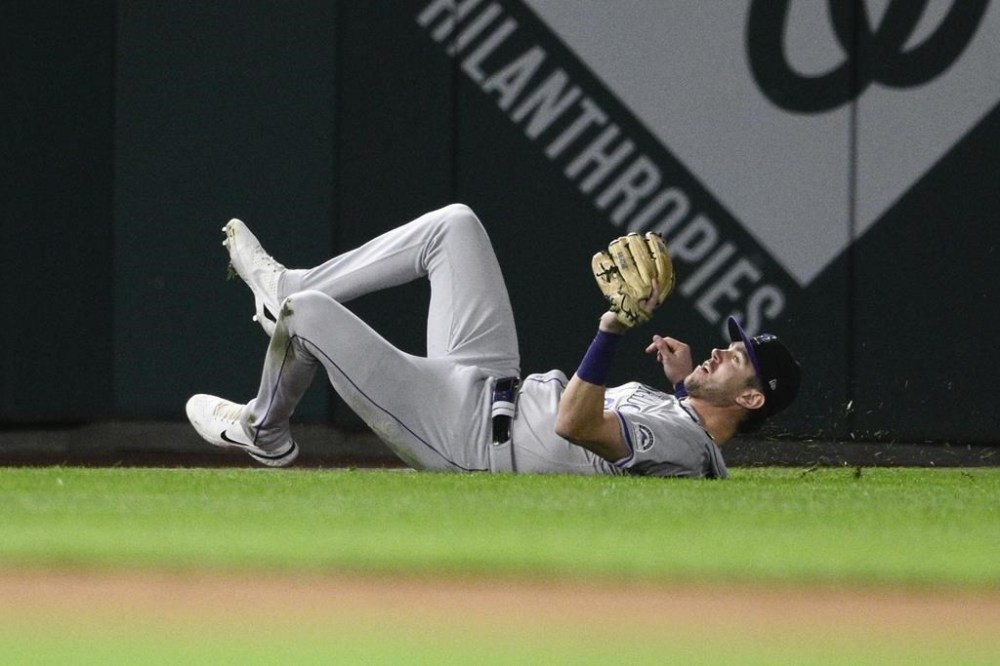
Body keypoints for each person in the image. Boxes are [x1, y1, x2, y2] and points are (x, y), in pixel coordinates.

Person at [186, 204, 800, 478]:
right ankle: (288, 284)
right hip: (489, 379)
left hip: (469, 436)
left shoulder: (687, 448)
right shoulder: (680, 421)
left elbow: (575, 425)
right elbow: (656, 432)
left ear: (750, 401)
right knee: (454, 227)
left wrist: (610, 328)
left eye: (736, 359)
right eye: (731, 345)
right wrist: (680, 385)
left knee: (307, 316)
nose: (722, 351)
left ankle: (265, 431)